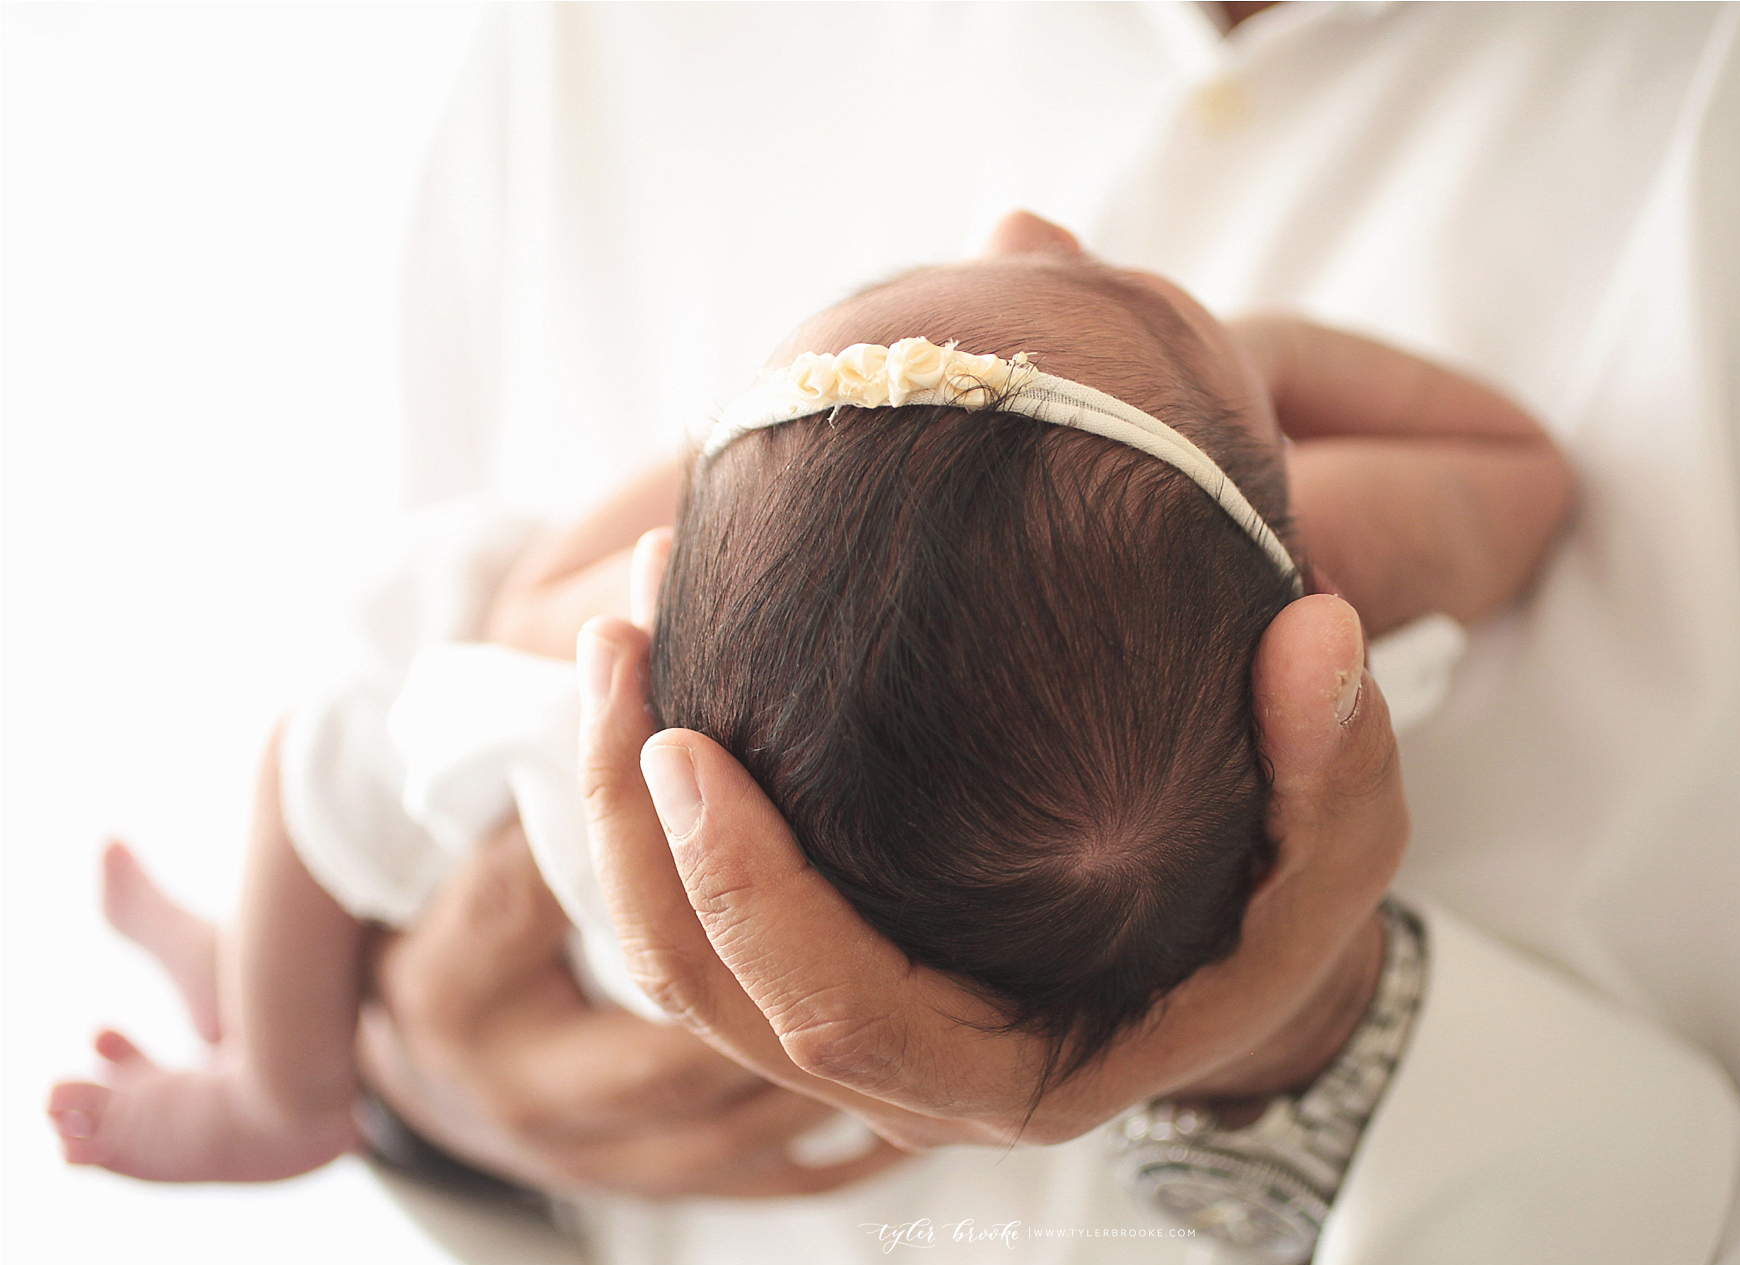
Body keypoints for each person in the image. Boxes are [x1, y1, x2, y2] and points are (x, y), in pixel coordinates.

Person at [74, 4, 1740, 1265]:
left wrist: (323, 1068)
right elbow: (1510, 492)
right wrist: (435, 1083)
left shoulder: (515, 659)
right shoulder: (1348, 665)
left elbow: (329, 752)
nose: (1030, 220)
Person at [47, 227, 1571, 1183]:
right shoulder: (1316, 645)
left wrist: (709, 479)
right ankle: (271, 1006)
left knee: (321, 755)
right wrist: (1235, 370)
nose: (1031, 223)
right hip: (775, 1012)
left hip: (579, 853)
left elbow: (531, 615)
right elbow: (1520, 477)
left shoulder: (617, 625)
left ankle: (281, 1079)